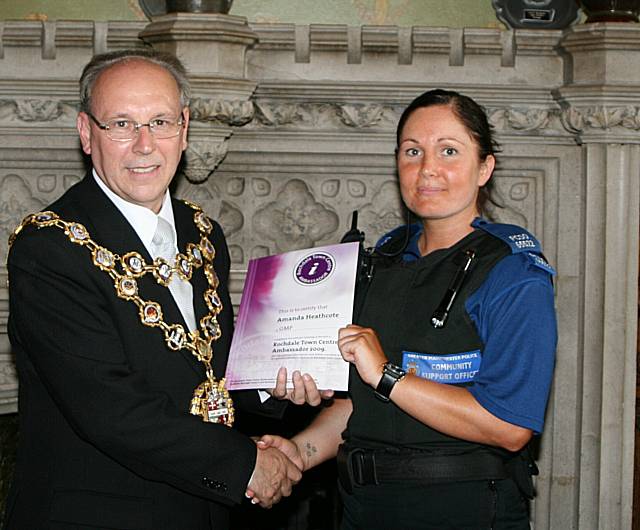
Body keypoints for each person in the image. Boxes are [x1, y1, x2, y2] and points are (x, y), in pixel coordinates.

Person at [2, 48, 326, 530]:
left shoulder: (204, 233)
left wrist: (280, 383)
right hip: (96, 515)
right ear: (87, 133)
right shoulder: (49, 246)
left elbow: (207, 376)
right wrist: (247, 465)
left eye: (160, 121)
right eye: (121, 124)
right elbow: (110, 409)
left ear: (185, 127)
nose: (144, 144)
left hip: (204, 509)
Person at [254, 89, 557, 529]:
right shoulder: (382, 263)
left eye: (449, 151)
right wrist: (299, 452)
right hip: (362, 508)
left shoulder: (514, 274)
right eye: (412, 151)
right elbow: (364, 401)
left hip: (463, 510)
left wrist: (388, 375)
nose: (427, 168)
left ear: (484, 168)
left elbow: (509, 427)